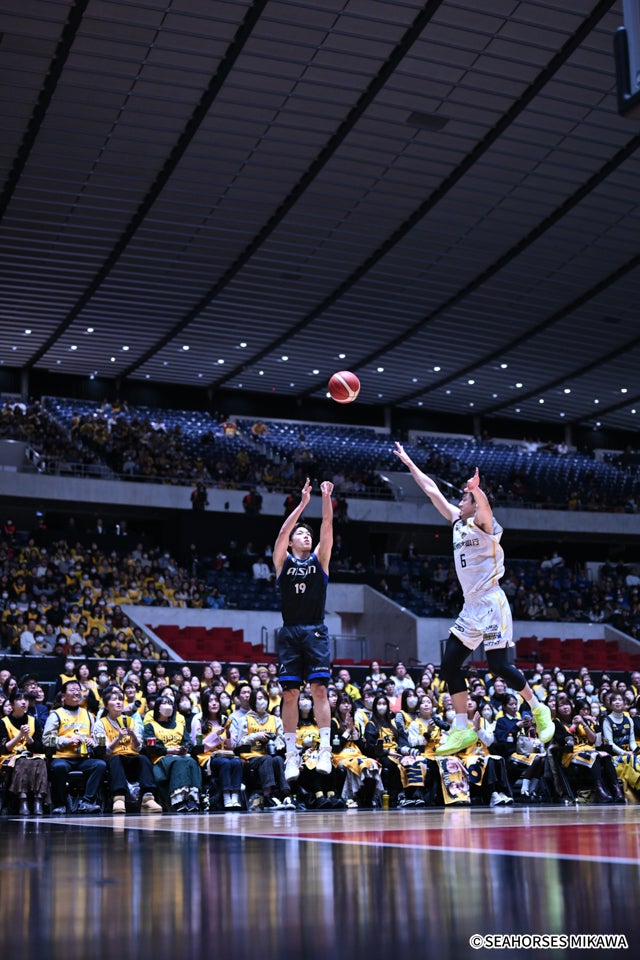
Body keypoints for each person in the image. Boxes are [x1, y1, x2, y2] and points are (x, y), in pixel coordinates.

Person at [393, 443, 554, 755]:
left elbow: (486, 509)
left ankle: (538, 709)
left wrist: (477, 491)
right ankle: (461, 728)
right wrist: (410, 463)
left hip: (492, 602)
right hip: (471, 606)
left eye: (464, 498)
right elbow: (431, 490)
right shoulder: (457, 521)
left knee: (498, 666)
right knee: (449, 664)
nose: (459, 501)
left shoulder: (486, 524)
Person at [272, 476, 334, 781]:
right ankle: (291, 755)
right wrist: (302, 504)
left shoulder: (320, 559)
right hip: (290, 631)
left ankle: (325, 750)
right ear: (292, 542)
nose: (305, 536)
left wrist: (325, 499)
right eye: (301, 533)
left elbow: (327, 526)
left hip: (315, 629)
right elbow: (282, 532)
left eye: (307, 534)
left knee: (319, 689)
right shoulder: (282, 561)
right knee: (290, 694)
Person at [93, 687, 163, 814]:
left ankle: (148, 798)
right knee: (115, 759)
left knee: (143, 759)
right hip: (112, 758)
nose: (119, 702)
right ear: (106, 706)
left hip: (131, 757)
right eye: (114, 700)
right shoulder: (100, 723)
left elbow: (138, 747)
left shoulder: (131, 721)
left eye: (120, 699)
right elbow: (105, 751)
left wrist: (133, 736)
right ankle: (118, 798)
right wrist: (118, 738)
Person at [43, 680, 107, 814]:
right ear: (63, 696)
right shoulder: (56, 714)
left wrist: (92, 742)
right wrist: (67, 740)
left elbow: (96, 737)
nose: (76, 692)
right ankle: (60, 804)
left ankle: (86, 802)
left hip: (83, 758)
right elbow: (47, 739)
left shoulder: (88, 714)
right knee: (59, 767)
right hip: (62, 757)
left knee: (100, 765)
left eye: (78, 690)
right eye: (72, 690)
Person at [0, 688, 49, 815]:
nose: (23, 702)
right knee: (21, 760)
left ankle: (38, 801)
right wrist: (20, 735)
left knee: (41, 760)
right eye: (19, 699)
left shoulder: (33, 721)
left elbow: (40, 747)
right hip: (9, 757)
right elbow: (4, 748)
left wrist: (28, 738)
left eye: (26, 699)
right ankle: (23, 801)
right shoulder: (3, 722)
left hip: (30, 755)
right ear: (11, 704)